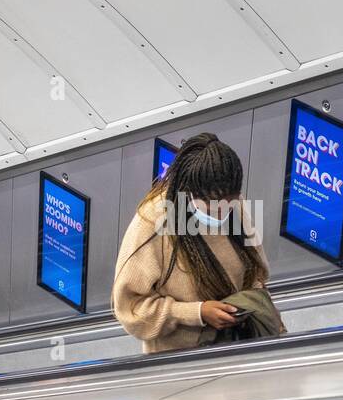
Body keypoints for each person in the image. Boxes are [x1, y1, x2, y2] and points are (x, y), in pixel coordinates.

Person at [113, 133, 279, 353]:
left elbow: (257, 274)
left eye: (228, 205)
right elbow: (130, 309)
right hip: (180, 361)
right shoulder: (153, 222)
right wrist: (198, 313)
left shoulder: (234, 205)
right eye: (212, 208)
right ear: (188, 194)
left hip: (238, 347)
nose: (221, 214)